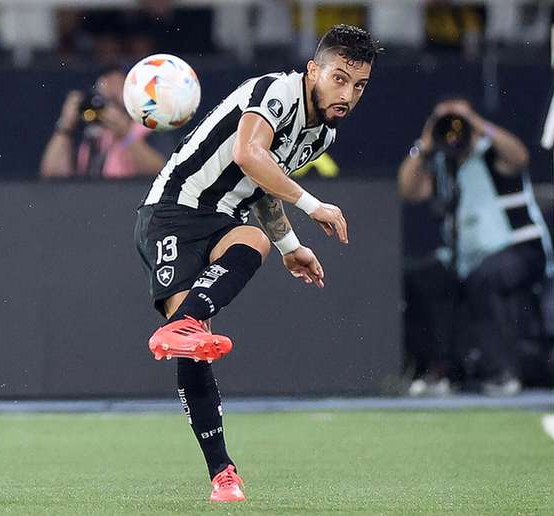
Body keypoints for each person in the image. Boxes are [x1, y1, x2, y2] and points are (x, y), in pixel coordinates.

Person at [134, 25, 379, 502]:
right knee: (194, 338)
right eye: (339, 78)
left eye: (359, 85)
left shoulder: (321, 134)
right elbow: (249, 154)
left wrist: (290, 246)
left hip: (224, 218)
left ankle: (223, 477)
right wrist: (314, 207)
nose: (347, 93)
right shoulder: (277, 90)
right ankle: (220, 465)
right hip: (172, 213)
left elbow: (265, 186)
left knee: (250, 246)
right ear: (314, 70)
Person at [398, 98, 552, 396]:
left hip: (520, 250)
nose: (454, 134)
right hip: (464, 259)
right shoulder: (442, 163)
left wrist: (475, 121)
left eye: (460, 126)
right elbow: (409, 190)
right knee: (415, 279)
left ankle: (501, 373)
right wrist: (425, 143)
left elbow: (520, 157)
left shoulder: (493, 154)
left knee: (485, 277)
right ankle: (437, 369)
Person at [40, 68, 167, 179]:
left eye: (118, 88)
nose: (111, 87)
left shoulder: (147, 127)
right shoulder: (87, 130)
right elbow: (51, 175)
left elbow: (159, 174)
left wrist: (125, 134)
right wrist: (65, 125)